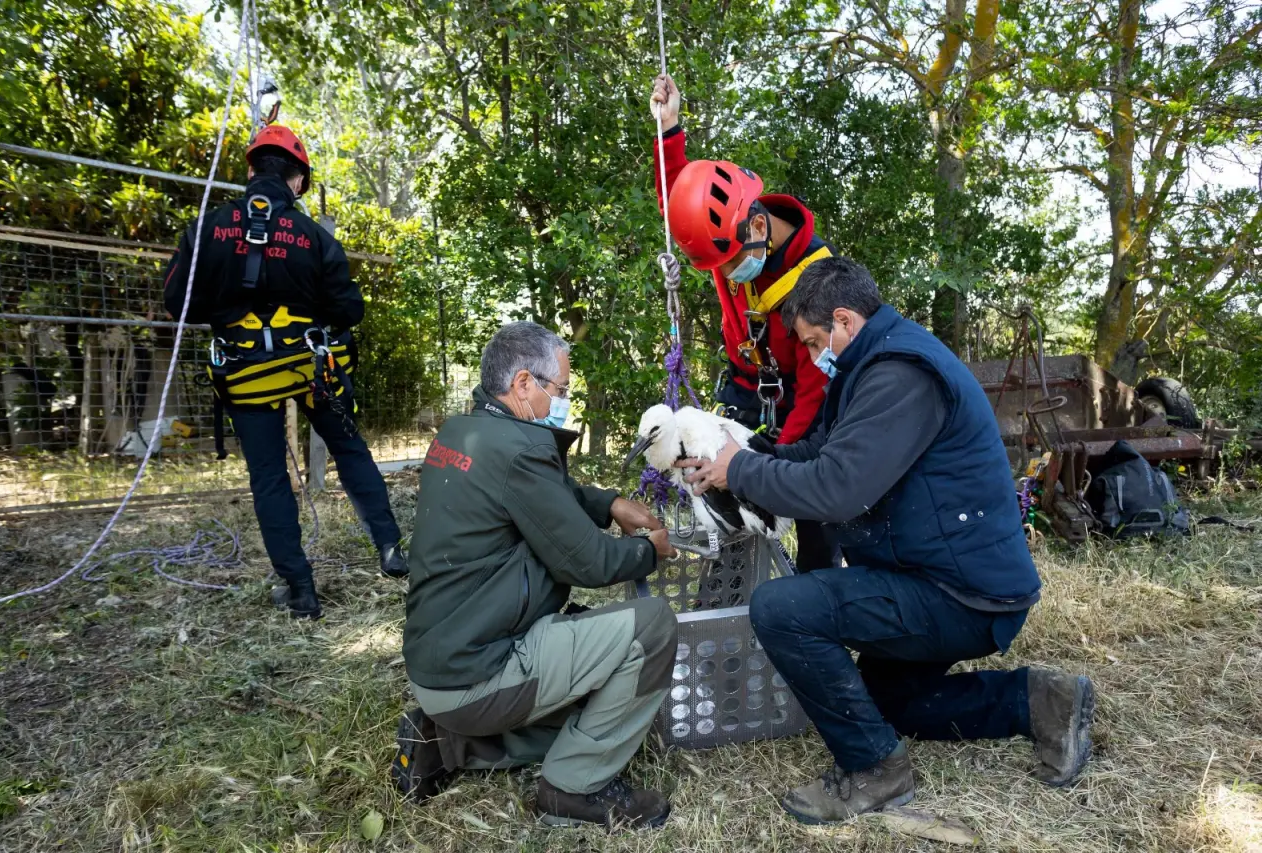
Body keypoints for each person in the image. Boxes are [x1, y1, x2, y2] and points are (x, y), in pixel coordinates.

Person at [678, 256, 1096, 824]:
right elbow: (820, 453)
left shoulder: (900, 374)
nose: (812, 355)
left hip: (961, 594)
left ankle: (875, 769)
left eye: (813, 341)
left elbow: (838, 489)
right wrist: (747, 455)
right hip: (934, 576)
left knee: (781, 608)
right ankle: (1039, 699)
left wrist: (743, 472)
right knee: (884, 704)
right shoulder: (871, 366)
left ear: (844, 320)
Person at [393, 321, 680, 831]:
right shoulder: (519, 450)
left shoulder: (462, 434)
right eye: (560, 390)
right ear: (523, 383)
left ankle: (447, 742)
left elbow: (543, 495)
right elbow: (589, 562)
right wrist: (647, 551)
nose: (563, 402)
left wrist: (609, 503)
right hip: (477, 674)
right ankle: (574, 789)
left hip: (440, 667)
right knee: (652, 628)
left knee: (608, 698)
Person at [163, 125, 407, 620]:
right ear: (297, 181)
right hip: (311, 367)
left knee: (270, 477)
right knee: (349, 449)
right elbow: (350, 309)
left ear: (252, 171)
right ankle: (390, 548)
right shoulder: (313, 236)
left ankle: (301, 590)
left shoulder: (208, 228)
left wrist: (230, 309)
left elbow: (177, 301)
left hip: (245, 374)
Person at [650, 73, 836, 572]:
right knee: (721, 494)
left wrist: (771, 467)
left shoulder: (817, 281)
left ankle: (815, 591)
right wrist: (669, 130)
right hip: (745, 390)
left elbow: (815, 389)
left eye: (729, 263)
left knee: (812, 510)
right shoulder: (727, 238)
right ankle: (728, 592)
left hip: (801, 404)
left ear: (758, 226)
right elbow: (679, 201)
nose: (726, 274)